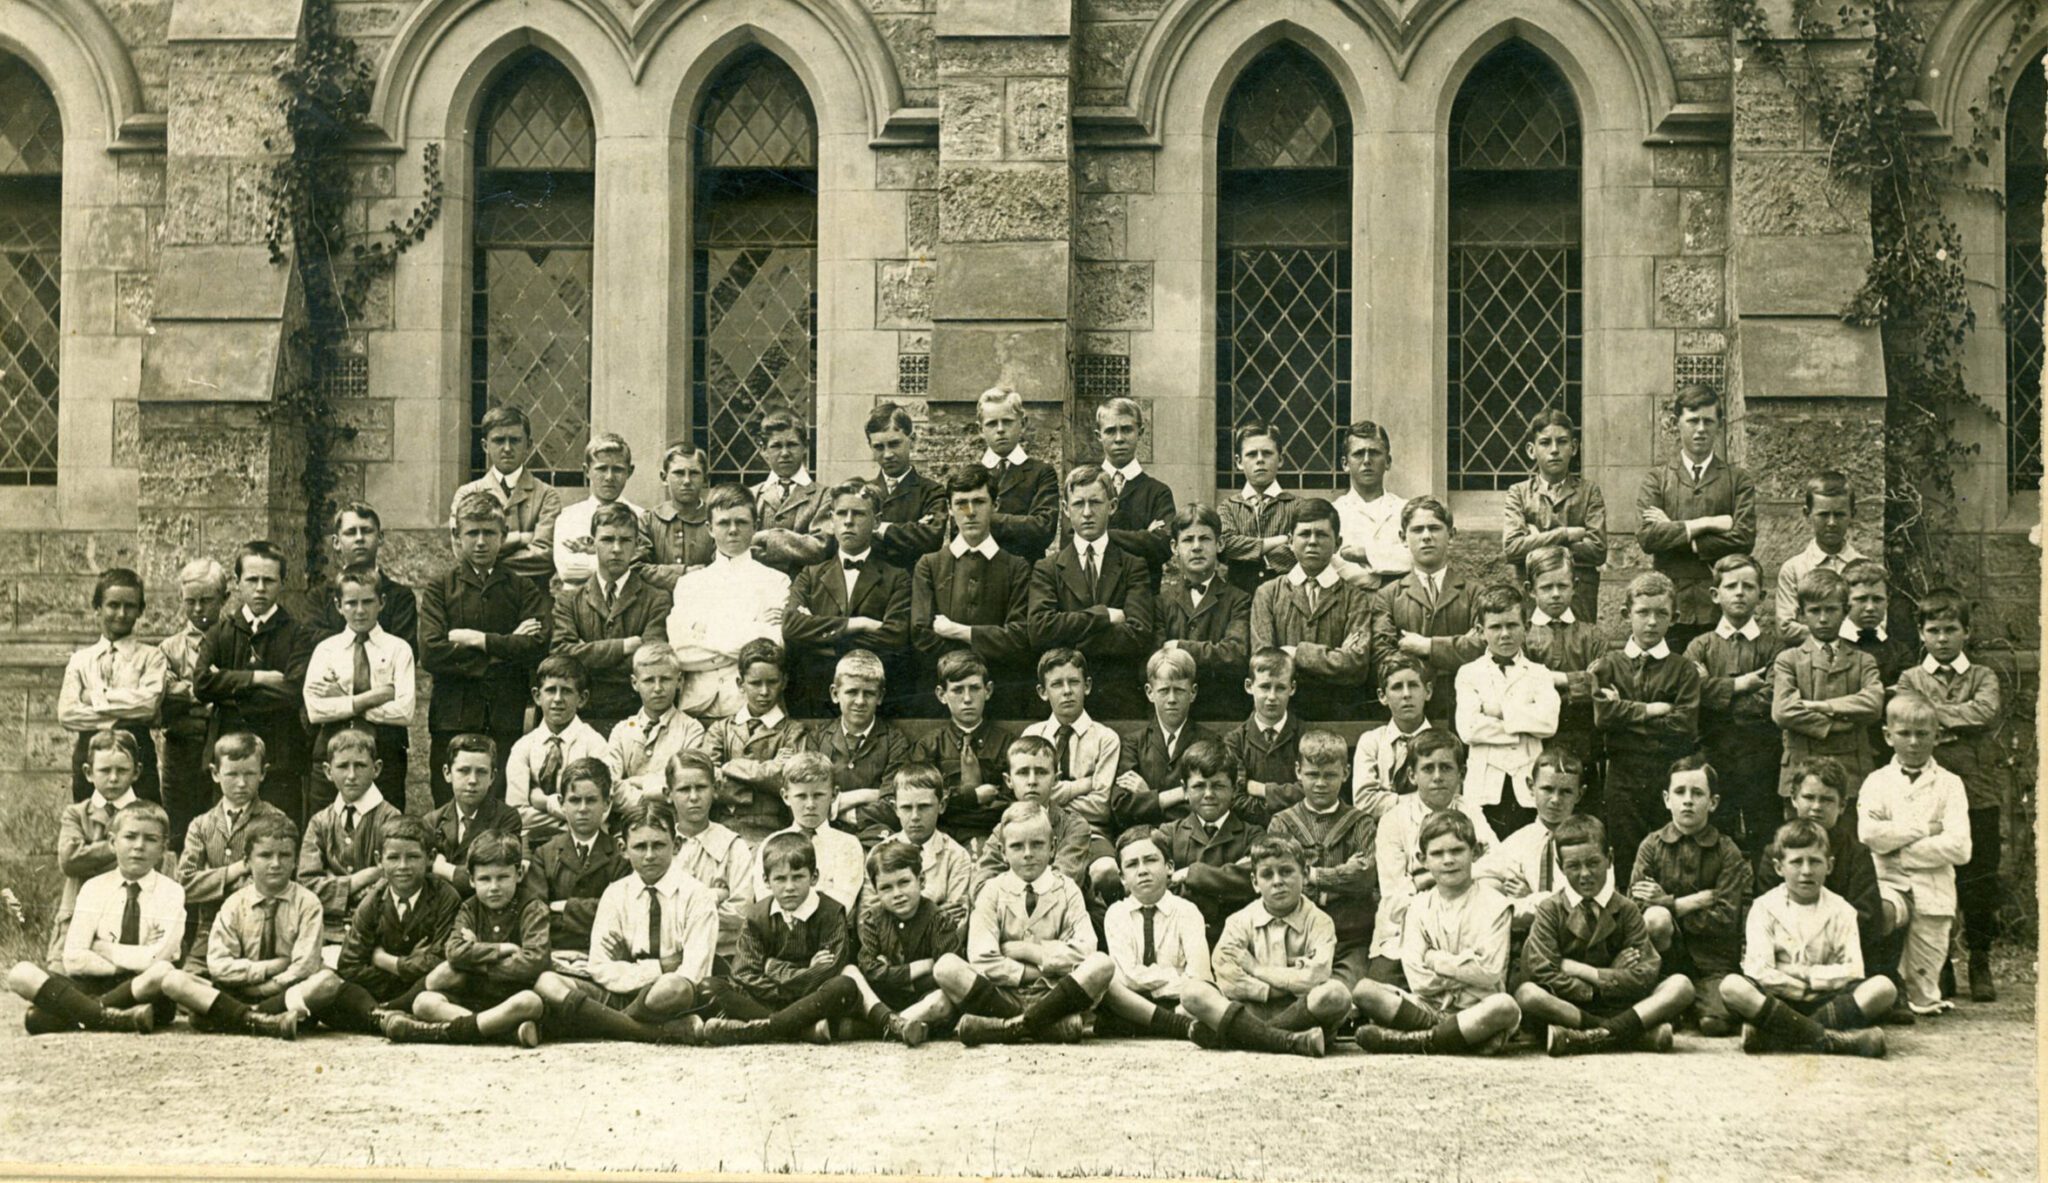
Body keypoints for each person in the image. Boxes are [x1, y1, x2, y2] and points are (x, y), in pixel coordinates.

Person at [1892, 587, 2011, 1002]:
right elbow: (1906, 714)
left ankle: (1979, 959)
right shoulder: (1910, 678)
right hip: (1927, 792)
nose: (1942, 638)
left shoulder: (1983, 676)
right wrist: (1949, 719)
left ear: (1967, 632)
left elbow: (1985, 712)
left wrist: (1931, 716)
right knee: (1931, 874)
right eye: (1934, 630)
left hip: (1977, 789)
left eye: (1951, 629)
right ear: (1921, 633)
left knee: (1979, 876)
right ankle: (1938, 961)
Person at [530, 798, 714, 1045]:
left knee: (674, 987)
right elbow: (599, 967)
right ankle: (648, 1032)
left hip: (664, 999)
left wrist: (630, 967)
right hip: (618, 993)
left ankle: (601, 1023)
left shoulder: (697, 895)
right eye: (640, 847)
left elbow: (693, 973)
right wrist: (661, 966)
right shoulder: (615, 893)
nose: (649, 855)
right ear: (623, 848)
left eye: (659, 845)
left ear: (677, 845)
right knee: (547, 982)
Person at [935, 801, 1116, 1046]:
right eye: (1017, 846)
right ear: (1003, 852)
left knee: (1102, 964)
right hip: (1002, 993)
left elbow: (1085, 950)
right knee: (946, 967)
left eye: (1037, 844)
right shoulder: (992, 890)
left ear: (1052, 847)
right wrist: (1039, 970)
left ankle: (1009, 1027)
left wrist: (1030, 951)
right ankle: (1045, 1026)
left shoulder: (1067, 889)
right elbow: (982, 958)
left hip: (1054, 992)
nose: (1028, 853)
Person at [1513, 814, 1693, 1055]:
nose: (1585, 874)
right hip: (1570, 1007)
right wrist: (1603, 982)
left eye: (1593, 863)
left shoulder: (1627, 909)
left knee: (1681, 986)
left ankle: (1588, 1037)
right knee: (1527, 994)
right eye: (1573, 866)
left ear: (1610, 858)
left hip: (1622, 1005)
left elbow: (1646, 974)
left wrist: (1587, 972)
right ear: (1560, 865)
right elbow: (1542, 972)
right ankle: (1627, 1034)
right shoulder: (1550, 909)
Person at [1350, 811, 1523, 1055]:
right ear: (1423, 859)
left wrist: (1435, 959)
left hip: (1477, 1006)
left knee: (1505, 1007)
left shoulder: (1495, 905)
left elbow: (1489, 972)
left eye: (1457, 851)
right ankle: (1455, 1037)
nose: (1448, 860)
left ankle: (1417, 1039)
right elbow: (1418, 981)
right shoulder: (1417, 907)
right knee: (1364, 991)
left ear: (1475, 853)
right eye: (1437, 853)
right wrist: (1464, 968)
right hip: (1428, 1006)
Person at [1721, 818, 1894, 1057]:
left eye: (1815, 861)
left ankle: (1777, 1037)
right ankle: (1836, 1040)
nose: (1806, 871)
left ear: (1829, 865)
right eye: (1796, 862)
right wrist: (1798, 988)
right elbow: (1758, 970)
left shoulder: (1842, 910)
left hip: (1828, 999)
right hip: (1779, 998)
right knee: (1732, 987)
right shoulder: (1764, 907)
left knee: (1884, 988)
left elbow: (1853, 970)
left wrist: (1805, 976)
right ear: (1779, 867)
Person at [420, 492, 551, 808]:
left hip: (505, 717)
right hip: (453, 717)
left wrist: (479, 640)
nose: (481, 542)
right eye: (472, 533)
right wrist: (505, 646)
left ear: (503, 535)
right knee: (449, 806)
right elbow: (431, 652)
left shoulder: (522, 588)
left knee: (501, 805)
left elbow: (537, 644)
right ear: (457, 535)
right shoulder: (440, 588)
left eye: (489, 533)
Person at [7, 800, 181, 1035]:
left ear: (163, 847)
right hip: (91, 984)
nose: (139, 846)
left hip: (142, 987)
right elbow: (73, 959)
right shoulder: (94, 888)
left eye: (150, 839)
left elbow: (155, 958)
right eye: (130, 837)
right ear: (112, 842)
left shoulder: (171, 892)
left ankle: (80, 1013)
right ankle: (109, 1018)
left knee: (162, 971)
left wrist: (103, 949)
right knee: (21, 974)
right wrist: (129, 959)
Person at [154, 815, 325, 1041]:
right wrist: (269, 967)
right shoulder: (234, 904)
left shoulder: (308, 903)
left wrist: (264, 989)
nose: (276, 864)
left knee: (325, 981)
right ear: (247, 861)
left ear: (295, 861)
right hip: (238, 992)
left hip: (283, 994)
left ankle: (237, 1017)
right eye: (265, 855)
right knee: (173, 981)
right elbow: (219, 965)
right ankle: (261, 1020)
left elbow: (304, 967)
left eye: (284, 855)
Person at [703, 832, 879, 1046]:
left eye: (798, 877)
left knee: (844, 985)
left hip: (813, 999)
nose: (789, 887)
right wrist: (800, 976)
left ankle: (766, 1028)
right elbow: (744, 973)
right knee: (711, 986)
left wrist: (772, 968)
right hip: (775, 1001)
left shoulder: (831, 912)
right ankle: (801, 1030)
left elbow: (828, 970)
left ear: (814, 877)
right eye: (780, 879)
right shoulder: (757, 916)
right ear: (766, 881)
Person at [1858, 693, 1972, 1016]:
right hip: (1888, 883)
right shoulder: (1876, 782)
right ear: (1887, 735)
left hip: (1932, 888)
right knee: (1881, 915)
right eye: (1904, 733)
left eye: (1922, 734)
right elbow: (1869, 834)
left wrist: (1899, 851)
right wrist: (1926, 828)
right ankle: (1883, 987)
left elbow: (1960, 847)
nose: (1913, 742)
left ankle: (1918, 992)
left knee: (1923, 996)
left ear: (1937, 735)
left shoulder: (1950, 785)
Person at [386, 831, 548, 1046]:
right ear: (471, 880)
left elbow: (534, 961)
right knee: (423, 1002)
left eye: (502, 877)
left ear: (518, 874)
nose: (494, 887)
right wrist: (502, 949)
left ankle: (451, 1030)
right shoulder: (469, 908)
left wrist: (478, 959)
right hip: (475, 998)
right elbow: (454, 951)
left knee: (530, 1002)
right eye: (484, 879)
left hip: (513, 994)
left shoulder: (532, 908)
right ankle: (503, 1032)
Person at [1631, 753, 1750, 1036]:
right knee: (1656, 917)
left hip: (1712, 961)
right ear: (1666, 799)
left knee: (1714, 1024)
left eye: (1697, 793)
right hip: (1665, 959)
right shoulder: (1651, 846)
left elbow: (1726, 918)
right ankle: (1669, 991)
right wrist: (1688, 903)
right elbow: (1636, 912)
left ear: (1713, 802)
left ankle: (1693, 1004)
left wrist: (1665, 902)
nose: (1687, 800)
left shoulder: (1727, 851)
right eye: (1680, 792)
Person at [197, 541, 313, 825]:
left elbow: (293, 691)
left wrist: (227, 689)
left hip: (279, 757)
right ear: (238, 582)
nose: (260, 588)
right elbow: (201, 684)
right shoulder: (219, 632)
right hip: (228, 756)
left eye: (269, 580)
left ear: (282, 583)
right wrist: (257, 678)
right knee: (228, 831)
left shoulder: (298, 634)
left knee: (278, 833)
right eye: (252, 580)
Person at [1591, 571, 1701, 873]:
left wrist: (1623, 712)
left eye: (1661, 613)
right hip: (1622, 776)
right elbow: (1603, 717)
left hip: (1664, 775)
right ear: (1626, 614)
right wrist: (1652, 710)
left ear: (1674, 618)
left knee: (1667, 855)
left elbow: (1684, 726)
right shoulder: (1609, 665)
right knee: (1625, 856)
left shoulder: (1683, 670)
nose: (1652, 622)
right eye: (1643, 612)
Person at [1634, 384, 1757, 652]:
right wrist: (1705, 524)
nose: (1700, 429)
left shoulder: (1738, 480)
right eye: (1692, 421)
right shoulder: (1657, 479)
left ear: (1720, 425)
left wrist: (1676, 531)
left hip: (1718, 608)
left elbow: (1744, 538)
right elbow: (1648, 537)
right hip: (1669, 607)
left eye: (1708, 421)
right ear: (1675, 423)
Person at [1369, 729, 1498, 984]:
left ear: (1461, 774)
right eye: (1428, 769)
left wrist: (1424, 878)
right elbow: (1394, 899)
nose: (1437, 777)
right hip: (1402, 932)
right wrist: (1456, 875)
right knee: (1375, 990)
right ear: (1412, 775)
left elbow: (1498, 868)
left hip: (1463, 927)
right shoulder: (1393, 820)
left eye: (1446, 768)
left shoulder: (1471, 812)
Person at [1027, 465, 1156, 720]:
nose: (1087, 512)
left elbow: (1139, 634)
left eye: (1095, 502)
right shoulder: (1047, 568)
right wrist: (1103, 616)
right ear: (1066, 509)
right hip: (1062, 702)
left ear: (1112, 506)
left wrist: (1072, 641)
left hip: (1118, 699)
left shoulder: (1133, 566)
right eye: (1078, 504)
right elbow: (1039, 629)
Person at [910, 464, 1036, 718]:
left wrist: (959, 631)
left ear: (995, 505)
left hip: (1001, 692)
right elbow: (921, 632)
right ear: (949, 508)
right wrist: (966, 665)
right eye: (961, 503)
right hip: (943, 695)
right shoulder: (929, 565)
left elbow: (1018, 635)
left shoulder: (1016, 567)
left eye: (979, 502)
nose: (970, 512)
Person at [1204, 833, 1354, 1041]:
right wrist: (1275, 988)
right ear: (1255, 882)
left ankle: (1249, 1037)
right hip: (1251, 1008)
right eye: (1267, 875)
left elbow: (1315, 978)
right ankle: (1286, 1040)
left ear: (1305, 874)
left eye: (1286, 872)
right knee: (1195, 993)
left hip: (1302, 1011)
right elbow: (1228, 978)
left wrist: (1256, 969)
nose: (1277, 882)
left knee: (1336, 994)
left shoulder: (1320, 922)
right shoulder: (1239, 921)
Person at [324, 815, 464, 1037]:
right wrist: (410, 966)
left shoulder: (445, 897)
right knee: (333, 987)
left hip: (424, 988)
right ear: (379, 860)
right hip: (387, 990)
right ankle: (387, 1015)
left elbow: (440, 959)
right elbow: (349, 966)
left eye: (413, 857)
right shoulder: (373, 902)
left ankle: (383, 1013)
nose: (403, 866)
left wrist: (387, 961)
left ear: (430, 857)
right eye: (393, 857)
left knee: (449, 974)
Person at [782, 480, 911, 718]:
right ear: (831, 520)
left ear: (877, 522)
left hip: (872, 703)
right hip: (815, 700)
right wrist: (857, 624)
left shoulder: (897, 578)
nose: (848, 521)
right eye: (842, 513)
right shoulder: (810, 574)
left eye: (858, 513)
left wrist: (820, 638)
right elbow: (791, 627)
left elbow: (895, 637)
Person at [1758, 757, 1894, 981]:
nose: (1816, 807)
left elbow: (1866, 917)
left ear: (1842, 806)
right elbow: (1769, 913)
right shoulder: (1775, 852)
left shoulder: (1856, 854)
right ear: (1793, 799)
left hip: (1840, 957)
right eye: (1809, 797)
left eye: (1827, 800)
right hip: (1790, 958)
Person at [1685, 553, 1786, 855]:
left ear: (1762, 596)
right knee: (1715, 833)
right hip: (1713, 753)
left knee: (1765, 833)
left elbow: (1771, 698)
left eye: (1748, 586)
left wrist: (1713, 693)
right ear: (1715, 595)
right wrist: (1738, 687)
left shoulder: (1774, 647)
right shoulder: (1700, 646)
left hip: (1761, 755)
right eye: (1731, 586)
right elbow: (1689, 695)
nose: (1740, 593)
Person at [665, 484, 790, 718]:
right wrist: (751, 632)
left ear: (756, 526)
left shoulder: (776, 581)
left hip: (751, 708)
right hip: (696, 709)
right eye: (724, 523)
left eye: (741, 522)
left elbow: (772, 648)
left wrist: (703, 634)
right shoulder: (689, 584)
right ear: (710, 528)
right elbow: (680, 652)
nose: (733, 530)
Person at [549, 501, 672, 737]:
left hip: (636, 716)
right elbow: (562, 656)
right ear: (592, 543)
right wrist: (624, 646)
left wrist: (587, 656)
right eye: (607, 540)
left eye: (625, 540)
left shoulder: (657, 599)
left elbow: (650, 661)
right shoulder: (569, 600)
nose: (616, 549)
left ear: (637, 545)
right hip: (584, 718)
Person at [1249, 497, 1375, 723]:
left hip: (1338, 715)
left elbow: (1356, 667)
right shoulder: (1268, 593)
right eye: (1305, 534)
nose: (1313, 542)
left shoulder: (1355, 598)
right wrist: (1334, 659)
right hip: (1284, 716)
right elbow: (1265, 663)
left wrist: (1296, 653)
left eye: (1322, 534)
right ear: (1290, 541)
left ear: (1338, 543)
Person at [1265, 730, 1376, 986]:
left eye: (1330, 775)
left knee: (1344, 994)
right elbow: (1278, 879)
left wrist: (1311, 875)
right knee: (1288, 989)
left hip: (1348, 937)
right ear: (1298, 772)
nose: (1320, 783)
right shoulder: (1282, 823)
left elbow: (1365, 878)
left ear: (1345, 773)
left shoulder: (1361, 823)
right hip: (1296, 935)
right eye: (1313, 774)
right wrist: (1338, 883)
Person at [177, 731, 292, 978]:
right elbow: (185, 884)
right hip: (209, 933)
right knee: (183, 983)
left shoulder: (276, 820)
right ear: (215, 773)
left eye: (249, 774)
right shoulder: (201, 825)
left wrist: (210, 879)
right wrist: (238, 869)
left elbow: (275, 882)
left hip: (258, 932)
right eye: (232, 774)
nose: (241, 783)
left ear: (263, 773)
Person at [303, 562, 414, 812]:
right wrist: (374, 697)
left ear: (382, 602)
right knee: (327, 823)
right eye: (351, 603)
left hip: (384, 754)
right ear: (338, 605)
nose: (360, 611)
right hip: (332, 753)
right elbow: (315, 710)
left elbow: (404, 712)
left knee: (386, 824)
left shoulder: (398, 649)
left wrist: (342, 699)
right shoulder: (326, 650)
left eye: (368, 602)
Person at [1455, 581, 1561, 837]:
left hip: (1527, 785)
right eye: (1495, 627)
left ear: (1526, 627)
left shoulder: (1539, 674)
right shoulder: (1469, 674)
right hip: (1485, 786)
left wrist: (1499, 711)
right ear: (1480, 631)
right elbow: (1469, 729)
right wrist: (1524, 728)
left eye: (1512, 625)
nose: (1504, 634)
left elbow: (1548, 724)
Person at [1771, 568, 1883, 799]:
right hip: (1801, 768)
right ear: (1802, 614)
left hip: (1852, 771)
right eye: (1814, 611)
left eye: (1831, 610)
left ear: (1846, 611)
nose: (1823, 619)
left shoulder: (1863, 660)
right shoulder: (1788, 660)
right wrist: (1837, 725)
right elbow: (1783, 712)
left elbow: (1873, 704)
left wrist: (1824, 706)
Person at [1370, 496, 1483, 722]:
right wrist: (1457, 648)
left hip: (1465, 708)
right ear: (1403, 538)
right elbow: (1383, 655)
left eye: (1434, 528)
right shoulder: (1388, 596)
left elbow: (1483, 648)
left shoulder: (1474, 593)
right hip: (1410, 712)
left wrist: (1427, 646)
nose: (1426, 536)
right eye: (1417, 530)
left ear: (1452, 535)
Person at [59, 567, 165, 804]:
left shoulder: (152, 657)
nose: (121, 613)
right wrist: (122, 717)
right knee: (91, 819)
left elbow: (147, 705)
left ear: (141, 610)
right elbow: (67, 714)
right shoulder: (80, 660)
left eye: (130, 606)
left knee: (142, 818)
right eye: (113, 605)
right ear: (97, 607)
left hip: (137, 753)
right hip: (89, 754)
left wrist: (94, 698)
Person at [1474, 748, 1608, 932]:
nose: (1555, 800)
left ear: (1580, 794)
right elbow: (1478, 878)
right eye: (1547, 789)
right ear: (1531, 787)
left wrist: (1530, 897)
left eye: (1566, 792)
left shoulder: (1589, 842)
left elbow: (1582, 905)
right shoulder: (1518, 842)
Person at [1098, 826, 1212, 1039]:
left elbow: (1200, 977)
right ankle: (1174, 1024)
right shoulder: (1116, 913)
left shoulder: (1187, 911)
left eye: (1150, 860)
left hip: (1175, 1003)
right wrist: (1176, 975)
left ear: (1169, 867)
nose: (1142, 870)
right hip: (1131, 1002)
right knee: (1111, 987)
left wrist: (1152, 985)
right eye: (1132, 864)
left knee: (1201, 996)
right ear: (1122, 877)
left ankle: (1150, 1023)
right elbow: (1127, 977)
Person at [48, 732, 153, 961]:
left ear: (136, 772)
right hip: (79, 916)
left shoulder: (150, 815)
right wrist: (124, 848)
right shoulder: (76, 814)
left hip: (128, 918)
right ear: (88, 772)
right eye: (105, 770)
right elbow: (69, 861)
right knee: (60, 974)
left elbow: (150, 863)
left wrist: (91, 856)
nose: (113, 778)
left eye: (122, 770)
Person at [298, 729, 403, 943]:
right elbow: (306, 885)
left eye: (360, 766)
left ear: (376, 769)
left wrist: (332, 882)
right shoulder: (319, 822)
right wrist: (358, 881)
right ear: (328, 771)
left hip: (376, 931)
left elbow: (395, 879)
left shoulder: (391, 819)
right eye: (343, 766)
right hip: (324, 930)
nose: (352, 775)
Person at [800, 649, 913, 848]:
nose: (860, 701)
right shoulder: (817, 739)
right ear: (835, 694)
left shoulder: (894, 741)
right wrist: (869, 794)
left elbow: (894, 805)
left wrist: (837, 806)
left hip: (876, 836)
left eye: (869, 693)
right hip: (825, 835)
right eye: (852, 692)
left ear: (880, 697)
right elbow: (808, 798)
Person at [1502, 410, 1607, 623]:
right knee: (1532, 641)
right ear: (1531, 450)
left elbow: (1597, 550)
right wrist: (1566, 534)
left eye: (1562, 442)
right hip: (1533, 595)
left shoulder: (1589, 492)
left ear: (1574, 447)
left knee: (1580, 642)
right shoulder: (1519, 493)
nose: (1554, 450)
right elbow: (1512, 548)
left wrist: (1536, 539)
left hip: (1578, 595)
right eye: (1545, 443)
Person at [519, 756, 627, 960]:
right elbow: (535, 914)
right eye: (575, 800)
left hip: (603, 957)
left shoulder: (620, 856)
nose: (583, 808)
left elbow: (620, 915)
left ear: (607, 803)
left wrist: (564, 907)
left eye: (591, 800)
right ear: (562, 803)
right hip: (554, 954)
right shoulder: (545, 854)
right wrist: (592, 910)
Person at [1155, 739, 1260, 945]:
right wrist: (1228, 882)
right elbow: (1158, 887)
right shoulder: (1168, 834)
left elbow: (1255, 880)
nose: (1209, 794)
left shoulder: (1252, 835)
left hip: (1237, 942)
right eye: (1199, 786)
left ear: (1234, 788)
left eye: (1218, 786)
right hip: (1178, 942)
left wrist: (1190, 874)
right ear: (1185, 790)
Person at [1155, 503, 1252, 722]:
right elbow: (1153, 662)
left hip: (1221, 715)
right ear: (1174, 547)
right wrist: (1212, 654)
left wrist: (1179, 647)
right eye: (1188, 540)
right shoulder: (1161, 602)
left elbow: (1235, 656)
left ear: (1220, 544)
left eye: (1205, 539)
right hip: (1173, 717)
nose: (1197, 547)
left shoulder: (1238, 600)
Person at [855, 838, 962, 1036]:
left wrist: (890, 973)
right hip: (885, 1000)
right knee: (852, 978)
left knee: (941, 1001)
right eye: (886, 888)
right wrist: (921, 966)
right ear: (876, 891)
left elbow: (944, 974)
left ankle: (889, 1026)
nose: (897, 894)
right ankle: (898, 1026)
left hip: (924, 999)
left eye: (904, 883)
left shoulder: (939, 920)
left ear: (921, 881)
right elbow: (869, 970)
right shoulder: (873, 919)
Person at [1021, 648, 1121, 858]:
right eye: (1057, 684)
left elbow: (1100, 807)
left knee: (1105, 870)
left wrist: (1048, 797)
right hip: (1037, 831)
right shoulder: (1032, 735)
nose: (1067, 691)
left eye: (1074, 682)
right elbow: (1026, 799)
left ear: (1087, 686)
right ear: (1043, 692)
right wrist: (1083, 785)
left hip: (1091, 832)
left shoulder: (1106, 738)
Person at [1101, 648, 1211, 838]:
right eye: (1164, 691)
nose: (1172, 699)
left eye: (1179, 690)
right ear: (1150, 692)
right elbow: (1121, 807)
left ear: (1193, 692)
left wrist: (1148, 796)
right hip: (1142, 841)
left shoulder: (1208, 742)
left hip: (1191, 840)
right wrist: (1179, 794)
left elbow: (1206, 807)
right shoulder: (1134, 743)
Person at [158, 558, 228, 852]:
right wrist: (212, 689)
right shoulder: (169, 648)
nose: (198, 609)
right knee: (180, 832)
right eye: (191, 601)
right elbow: (163, 696)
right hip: (181, 751)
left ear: (224, 598)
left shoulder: (234, 640)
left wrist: (187, 692)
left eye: (206, 601)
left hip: (223, 748)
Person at [702, 638, 801, 843]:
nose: (764, 692)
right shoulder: (720, 730)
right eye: (756, 683)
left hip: (772, 833)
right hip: (722, 830)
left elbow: (786, 779)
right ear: (741, 683)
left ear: (784, 682)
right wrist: (767, 773)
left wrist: (730, 767)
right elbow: (706, 780)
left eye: (772, 682)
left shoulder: (793, 731)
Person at [452, 404, 561, 589]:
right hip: (481, 596)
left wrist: (486, 565)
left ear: (528, 445)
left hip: (532, 596)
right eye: (499, 440)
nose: (507, 448)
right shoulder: (467, 493)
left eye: (515, 440)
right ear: (485, 446)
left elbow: (545, 557)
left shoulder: (547, 495)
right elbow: (462, 552)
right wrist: (521, 538)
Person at [915, 650, 1016, 845]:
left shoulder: (1007, 743)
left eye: (974, 688)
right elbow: (922, 798)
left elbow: (1011, 801)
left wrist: (951, 805)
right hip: (942, 835)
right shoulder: (929, 746)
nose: (967, 698)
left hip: (995, 835)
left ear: (988, 690)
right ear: (942, 694)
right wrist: (972, 797)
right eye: (958, 690)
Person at [505, 655, 608, 844]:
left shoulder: (594, 744)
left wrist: (544, 802)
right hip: (532, 843)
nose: (558, 699)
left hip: (582, 842)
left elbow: (598, 813)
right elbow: (516, 814)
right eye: (551, 690)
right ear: (537, 696)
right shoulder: (523, 747)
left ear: (582, 698)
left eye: (567, 691)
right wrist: (569, 821)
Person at [1520, 546, 1605, 772]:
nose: (1556, 594)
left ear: (1574, 586)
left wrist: (1551, 681)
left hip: (1584, 740)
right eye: (1547, 587)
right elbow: (1522, 687)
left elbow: (1600, 686)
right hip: (1536, 742)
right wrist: (1579, 680)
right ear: (1530, 590)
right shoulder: (1522, 637)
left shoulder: (1592, 635)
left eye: (1562, 586)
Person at [752, 751, 865, 913]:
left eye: (818, 795)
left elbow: (841, 903)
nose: (810, 804)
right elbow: (766, 901)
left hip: (829, 928)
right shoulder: (770, 844)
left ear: (834, 794)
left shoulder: (847, 845)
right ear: (785, 796)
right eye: (801, 796)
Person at [296, 502, 419, 649]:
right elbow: (309, 646)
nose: (359, 538)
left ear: (380, 538)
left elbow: (402, 651)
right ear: (336, 542)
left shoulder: (400, 597)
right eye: (351, 532)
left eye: (366, 531)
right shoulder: (319, 598)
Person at [604, 643, 707, 806]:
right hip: (629, 817)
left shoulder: (691, 729)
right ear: (634, 683)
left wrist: (638, 782)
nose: (658, 688)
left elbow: (686, 784)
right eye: (649, 680)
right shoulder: (622, 730)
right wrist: (645, 799)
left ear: (679, 681)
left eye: (665, 679)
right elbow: (607, 783)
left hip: (673, 818)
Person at [426, 734, 525, 894]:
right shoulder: (433, 821)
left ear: (492, 776)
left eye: (481, 772)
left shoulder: (506, 818)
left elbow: (493, 875)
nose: (472, 780)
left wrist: (443, 869)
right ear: (447, 773)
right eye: (464, 771)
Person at [1094, 397, 1176, 588]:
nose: (1119, 439)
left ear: (1141, 433)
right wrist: (1144, 536)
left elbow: (1163, 545)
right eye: (1110, 431)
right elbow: (1072, 541)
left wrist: (1099, 535)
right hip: (1094, 591)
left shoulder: (1158, 492)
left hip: (1144, 594)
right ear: (1099, 436)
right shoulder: (1083, 486)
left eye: (1126, 429)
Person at [1220, 647, 1306, 827]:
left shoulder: (1305, 737)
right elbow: (1235, 798)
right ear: (1249, 686)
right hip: (1250, 832)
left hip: (1299, 829)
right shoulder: (1235, 741)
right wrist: (1277, 817)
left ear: (1292, 688)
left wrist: (1263, 790)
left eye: (1280, 688)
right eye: (1265, 687)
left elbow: (1311, 789)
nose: (1272, 697)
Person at [554, 432, 651, 590]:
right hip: (578, 601)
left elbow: (644, 569)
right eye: (601, 469)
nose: (609, 477)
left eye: (617, 469)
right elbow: (568, 570)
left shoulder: (642, 517)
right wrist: (623, 563)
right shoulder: (569, 517)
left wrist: (591, 555)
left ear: (630, 471)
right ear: (586, 471)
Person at [1773, 471, 1864, 636]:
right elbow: (1786, 628)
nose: (1832, 523)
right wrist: (1840, 635)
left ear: (1853, 514)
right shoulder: (1794, 569)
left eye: (1839, 515)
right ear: (1807, 514)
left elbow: (1876, 625)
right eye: (1823, 515)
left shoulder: (1865, 567)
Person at [976, 385, 1060, 563]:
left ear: (1023, 423)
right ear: (980, 429)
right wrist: (1020, 524)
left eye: (1007, 422)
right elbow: (958, 528)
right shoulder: (971, 475)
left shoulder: (1041, 473)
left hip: (1026, 570)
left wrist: (985, 520)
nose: (1000, 429)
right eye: (991, 423)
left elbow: (1043, 529)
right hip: (980, 570)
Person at [864, 402, 946, 575]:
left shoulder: (931, 492)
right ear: (870, 446)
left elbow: (931, 538)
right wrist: (913, 530)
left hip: (913, 583)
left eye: (894, 444)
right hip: (871, 584)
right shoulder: (864, 492)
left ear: (912, 440)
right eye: (879, 447)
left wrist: (878, 528)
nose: (887, 454)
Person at [1216, 423, 1298, 594]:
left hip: (1286, 596)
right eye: (1252, 454)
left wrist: (1245, 554)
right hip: (1239, 599)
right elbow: (1225, 546)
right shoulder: (1228, 507)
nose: (1260, 460)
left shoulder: (1298, 506)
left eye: (1267, 453)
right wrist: (1280, 540)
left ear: (1280, 459)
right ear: (1239, 462)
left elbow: (1299, 550)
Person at [884, 765, 974, 918]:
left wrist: (898, 916)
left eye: (924, 807)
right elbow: (868, 920)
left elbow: (957, 924)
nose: (915, 816)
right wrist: (936, 914)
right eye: (906, 808)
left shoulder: (957, 856)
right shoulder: (880, 853)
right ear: (895, 808)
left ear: (942, 805)